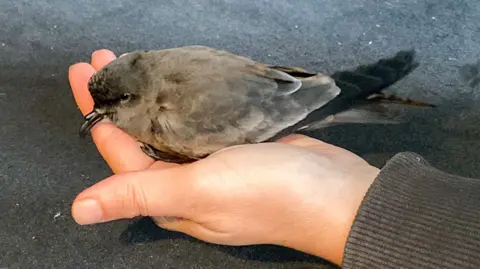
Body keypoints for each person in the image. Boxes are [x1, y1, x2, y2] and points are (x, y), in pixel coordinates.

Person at [68, 49, 480, 269]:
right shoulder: (160, 64)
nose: (100, 113)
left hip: (291, 103)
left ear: (139, 93)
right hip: (284, 89)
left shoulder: (177, 116)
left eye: (114, 104)